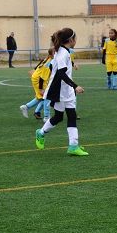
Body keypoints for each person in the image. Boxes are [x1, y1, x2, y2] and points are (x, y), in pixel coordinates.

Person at [35, 28, 88, 156]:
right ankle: (41, 133)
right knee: (62, 117)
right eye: (75, 38)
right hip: (60, 91)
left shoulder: (64, 51)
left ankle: (73, 145)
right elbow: (61, 73)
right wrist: (75, 86)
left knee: (68, 116)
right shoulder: (63, 53)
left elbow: (55, 67)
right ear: (71, 40)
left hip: (66, 90)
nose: (76, 40)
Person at [20, 48, 53, 120]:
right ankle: (47, 117)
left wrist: (34, 70)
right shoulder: (49, 63)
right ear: (53, 54)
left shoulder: (48, 59)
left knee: (40, 98)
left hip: (36, 78)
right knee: (47, 97)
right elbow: (42, 77)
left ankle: (26, 107)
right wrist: (41, 89)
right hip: (39, 80)